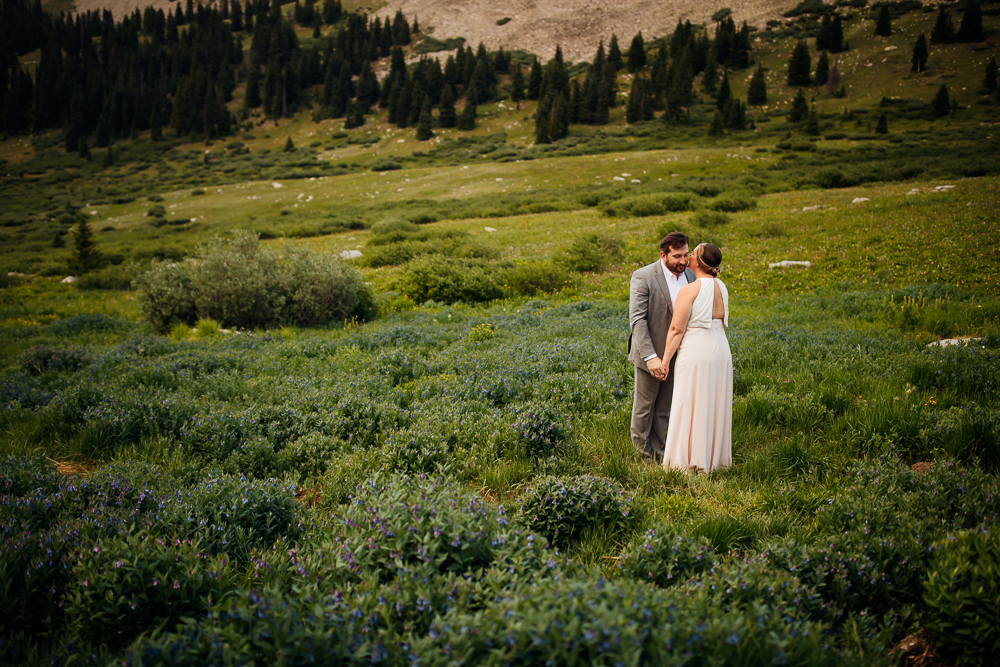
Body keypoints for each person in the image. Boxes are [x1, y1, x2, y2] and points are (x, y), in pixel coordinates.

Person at [660, 243, 733, 473]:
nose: (688, 256)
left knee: (688, 401)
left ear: (699, 261)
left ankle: (686, 462)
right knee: (714, 401)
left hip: (697, 349)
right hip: (721, 348)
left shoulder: (691, 289)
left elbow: (676, 330)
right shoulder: (722, 286)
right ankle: (714, 459)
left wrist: (665, 361)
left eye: (692, 253)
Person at [627, 232, 696, 463]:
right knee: (644, 408)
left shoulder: (690, 275)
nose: (683, 261)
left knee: (664, 408)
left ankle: (659, 452)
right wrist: (651, 357)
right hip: (651, 354)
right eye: (677, 256)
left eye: (686, 255)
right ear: (663, 255)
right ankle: (641, 457)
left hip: (678, 354)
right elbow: (637, 320)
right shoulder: (643, 276)